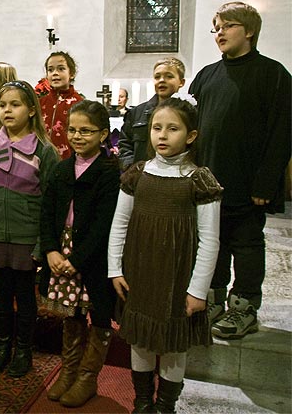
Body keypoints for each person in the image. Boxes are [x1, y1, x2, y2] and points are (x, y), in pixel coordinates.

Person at [108, 97, 223, 413]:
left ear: (191, 136)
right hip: (140, 271)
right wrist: (114, 269)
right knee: (141, 339)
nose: (162, 135)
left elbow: (210, 241)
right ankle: (142, 401)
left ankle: (166, 405)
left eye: (172, 129)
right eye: (157, 128)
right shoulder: (137, 174)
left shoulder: (198, 180)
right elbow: (120, 224)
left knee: (173, 344)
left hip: (177, 276)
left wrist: (198, 290)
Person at [190, 1, 291, 340]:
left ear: (249, 31)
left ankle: (245, 306)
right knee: (212, 243)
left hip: (249, 182)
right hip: (209, 180)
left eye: (227, 25)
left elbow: (282, 132)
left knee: (246, 244)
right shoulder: (207, 75)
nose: (219, 32)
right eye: (216, 26)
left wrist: (267, 180)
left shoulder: (273, 74)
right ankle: (215, 299)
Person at [0, 80, 58, 378]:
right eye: (3, 105)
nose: (7, 110)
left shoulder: (44, 151)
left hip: (26, 237)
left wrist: (41, 245)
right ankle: (2, 346)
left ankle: (23, 350)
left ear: (31, 110)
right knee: (1, 296)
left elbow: (50, 205)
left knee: (26, 296)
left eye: (15, 104)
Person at [39, 100, 120, 408]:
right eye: (72, 129)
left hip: (92, 256)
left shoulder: (109, 172)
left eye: (86, 131)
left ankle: (87, 377)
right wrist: (50, 250)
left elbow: (104, 223)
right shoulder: (61, 169)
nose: (77, 136)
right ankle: (68, 370)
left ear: (103, 134)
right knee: (71, 312)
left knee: (98, 313)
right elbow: (46, 213)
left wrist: (76, 260)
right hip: (61, 248)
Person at [118, 57, 186, 171]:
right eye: (157, 77)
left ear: (181, 82)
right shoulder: (137, 112)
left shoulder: (188, 112)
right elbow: (125, 144)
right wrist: (131, 168)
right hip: (140, 175)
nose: (162, 80)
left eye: (169, 76)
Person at [38, 51, 85, 159]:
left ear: (71, 73)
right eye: (50, 70)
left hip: (69, 160)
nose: (55, 73)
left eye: (61, 69)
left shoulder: (79, 103)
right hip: (42, 160)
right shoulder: (40, 103)